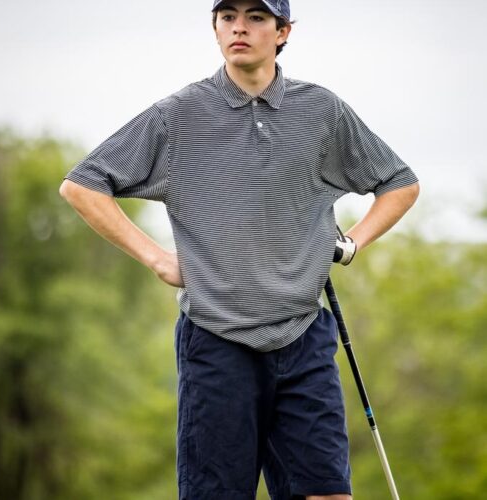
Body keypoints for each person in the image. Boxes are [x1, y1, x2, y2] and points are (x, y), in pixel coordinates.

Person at [60, 1, 419, 498]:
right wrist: (157, 258)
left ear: (284, 32)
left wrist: (351, 243)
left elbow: (399, 183)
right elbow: (83, 185)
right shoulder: (177, 115)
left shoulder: (322, 111)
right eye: (227, 17)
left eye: (255, 17)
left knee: (328, 493)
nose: (239, 28)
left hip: (303, 334)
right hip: (216, 340)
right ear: (215, 29)